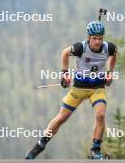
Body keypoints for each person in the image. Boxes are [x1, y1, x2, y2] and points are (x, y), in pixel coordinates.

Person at [25, 20, 117, 159]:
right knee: (62, 117)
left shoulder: (108, 48)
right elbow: (64, 53)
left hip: (97, 87)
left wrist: (110, 72)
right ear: (88, 37)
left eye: (100, 38)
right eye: (94, 38)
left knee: (100, 115)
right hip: (79, 87)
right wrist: (65, 74)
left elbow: (114, 54)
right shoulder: (81, 47)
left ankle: (95, 150)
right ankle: (41, 143)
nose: (97, 42)